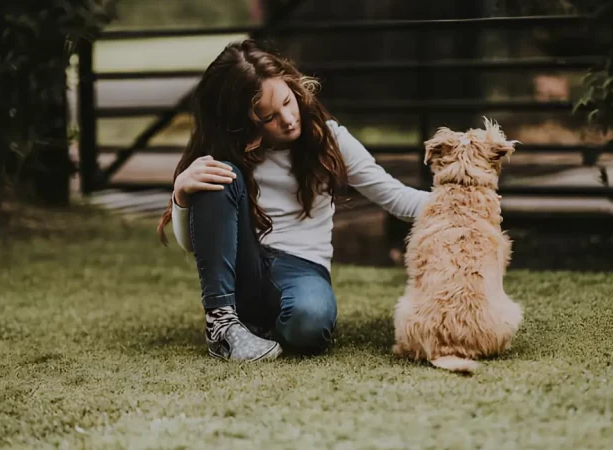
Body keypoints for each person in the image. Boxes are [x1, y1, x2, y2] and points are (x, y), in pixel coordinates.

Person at [157, 39, 430, 362]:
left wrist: (466, 202)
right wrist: (182, 194)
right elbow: (193, 246)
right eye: (268, 117)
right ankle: (222, 325)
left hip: (303, 267)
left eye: (288, 101)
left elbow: (396, 198)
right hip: (245, 265)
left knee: (309, 326)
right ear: (243, 122)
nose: (288, 119)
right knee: (218, 172)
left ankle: (256, 329)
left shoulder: (330, 140)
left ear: (294, 87)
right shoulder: (225, 155)